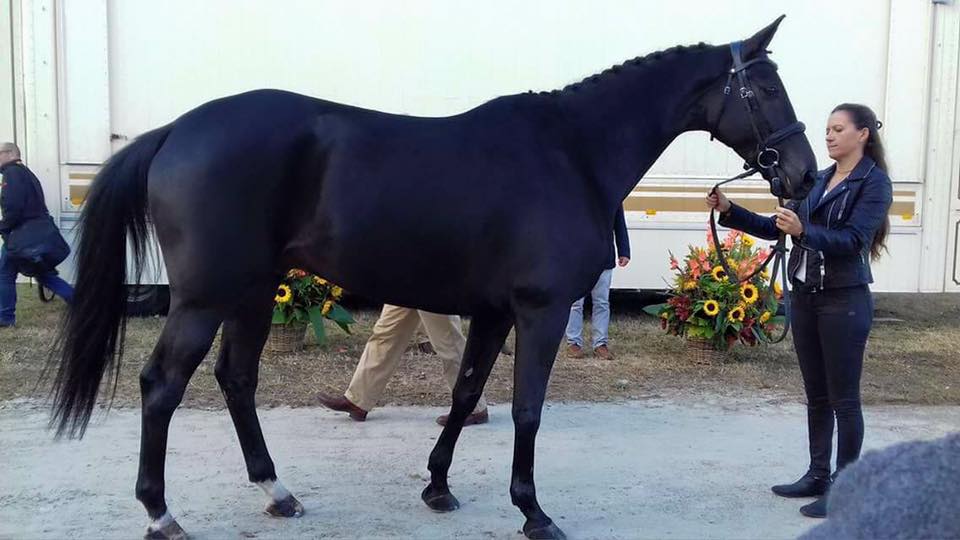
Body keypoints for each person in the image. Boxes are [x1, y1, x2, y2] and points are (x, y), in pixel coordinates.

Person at [706, 104, 893, 518]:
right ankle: (817, 474)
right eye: (827, 129)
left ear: (862, 135)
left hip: (844, 299)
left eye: (838, 129)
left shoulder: (873, 183)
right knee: (817, 395)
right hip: (807, 295)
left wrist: (805, 230)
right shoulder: (819, 181)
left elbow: (854, 240)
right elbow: (778, 226)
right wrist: (729, 210)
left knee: (844, 399)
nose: (828, 136)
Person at [317, 305, 489, 426]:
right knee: (386, 333)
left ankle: (473, 406)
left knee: (447, 340)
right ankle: (358, 400)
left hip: (432, 269)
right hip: (405, 270)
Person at [0, 142, 74, 327]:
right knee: (44, 276)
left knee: (5, 274)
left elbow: (13, 207)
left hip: (20, 236)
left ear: (9, 154)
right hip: (32, 236)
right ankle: (81, 304)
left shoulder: (12, 173)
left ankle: (6, 318)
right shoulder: (26, 173)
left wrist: (4, 226)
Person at [565, 207, 630, 359]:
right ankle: (573, 342)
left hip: (604, 257)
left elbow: (619, 223)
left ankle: (600, 344)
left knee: (601, 302)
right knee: (575, 303)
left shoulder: (611, 194)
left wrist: (624, 250)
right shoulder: (578, 193)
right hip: (578, 258)